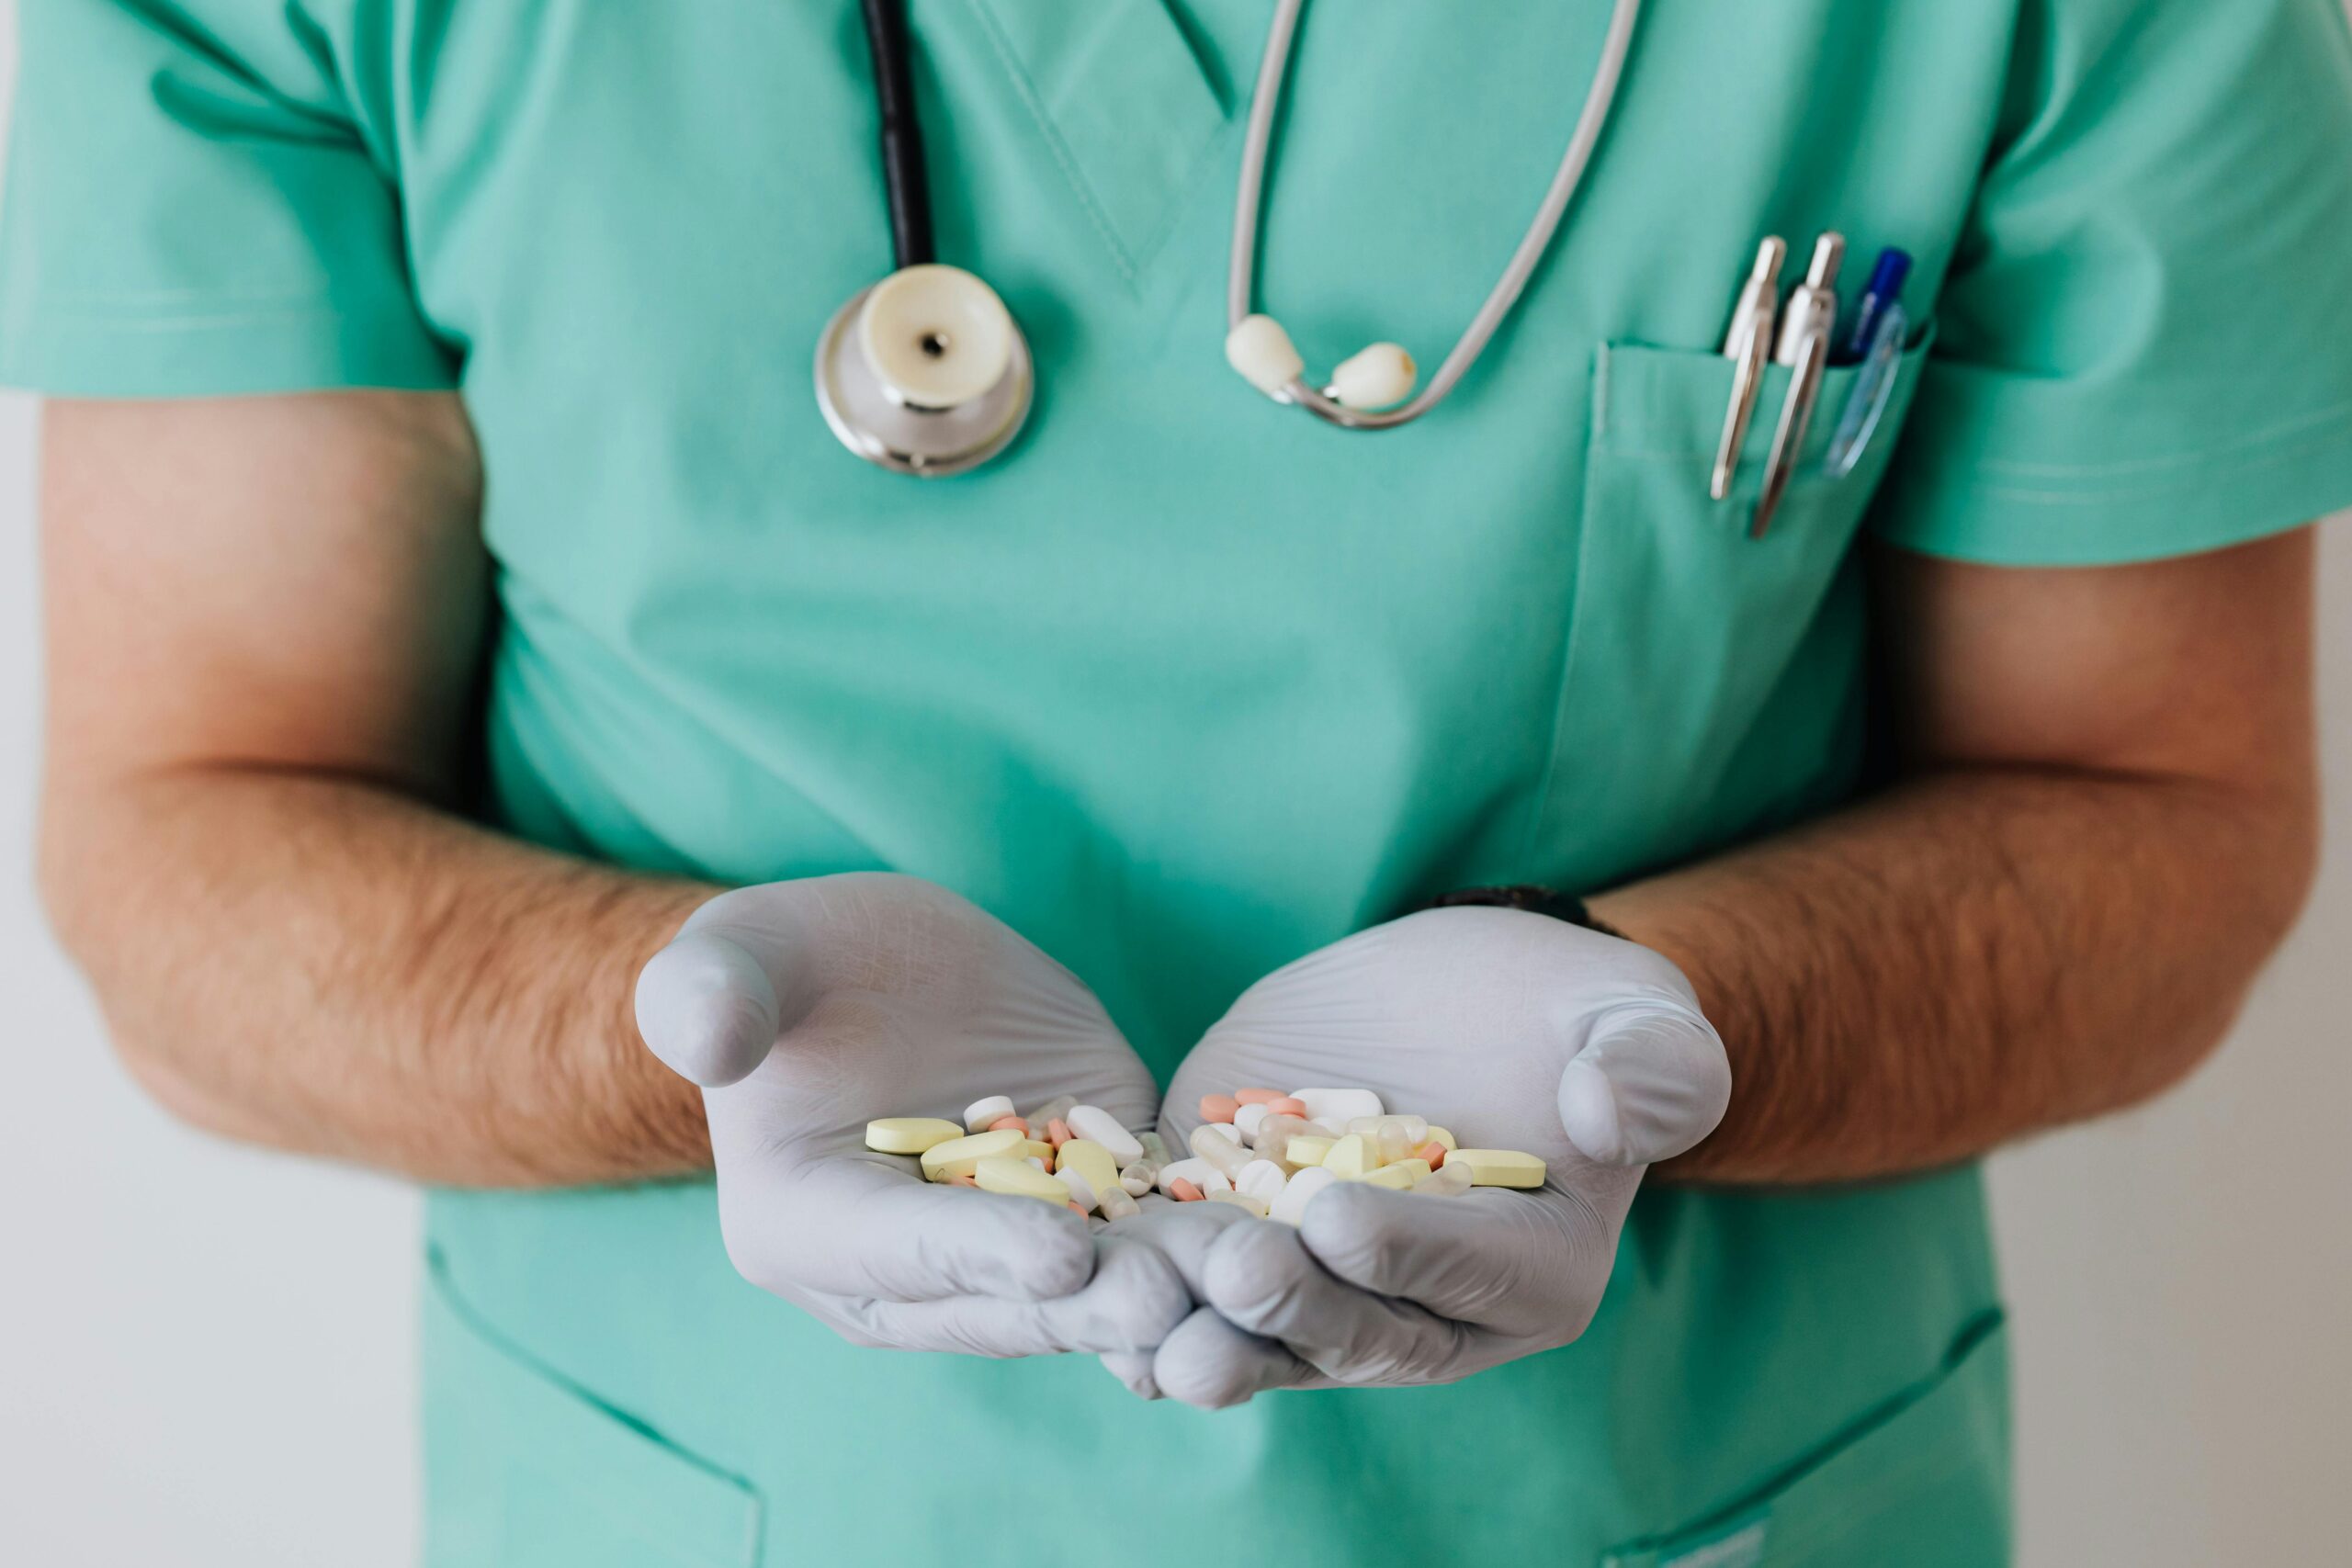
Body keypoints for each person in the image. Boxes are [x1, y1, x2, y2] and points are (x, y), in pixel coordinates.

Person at [8, 0, 2350, 1561]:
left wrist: (1649, 1022)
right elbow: (195, 808)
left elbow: (2150, 793)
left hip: (1674, 1480)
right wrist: (663, 1019)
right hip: (719, 1489)